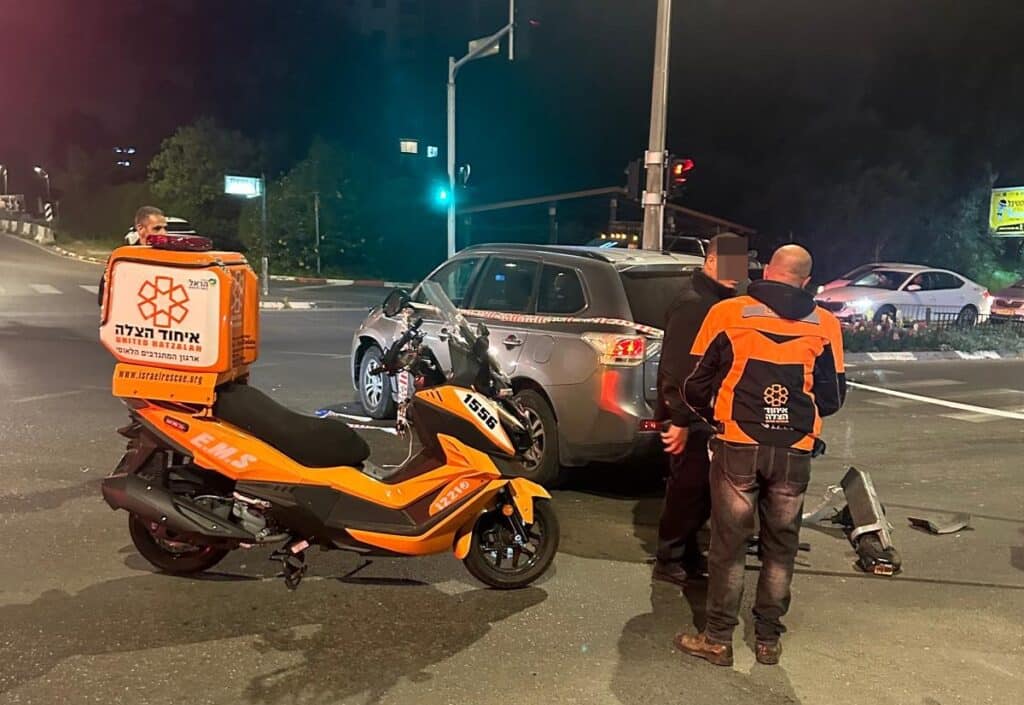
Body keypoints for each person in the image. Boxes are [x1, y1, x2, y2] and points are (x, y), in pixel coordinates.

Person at [674, 244, 846, 667]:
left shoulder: (728, 313)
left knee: (728, 545)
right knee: (781, 546)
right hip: (794, 450)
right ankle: (767, 638)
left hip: (738, 443)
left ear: (768, 270)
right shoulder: (826, 324)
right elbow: (833, 397)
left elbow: (694, 384)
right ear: (806, 281)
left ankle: (718, 639)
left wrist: (718, 417)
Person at [652, 233, 743, 587]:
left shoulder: (720, 301)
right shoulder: (694, 304)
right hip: (689, 415)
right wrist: (679, 419)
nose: (736, 272)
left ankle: (687, 553)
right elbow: (675, 366)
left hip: (709, 412)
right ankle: (669, 558)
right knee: (687, 489)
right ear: (711, 261)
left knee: (703, 490)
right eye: (730, 263)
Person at [98, 206, 168, 305]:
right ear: (140, 228)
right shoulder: (123, 259)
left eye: (165, 228)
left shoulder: (170, 257)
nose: (164, 233)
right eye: (157, 228)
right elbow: (104, 296)